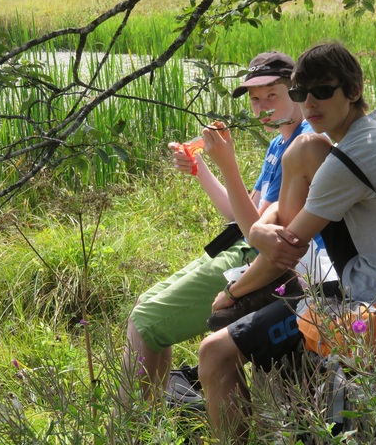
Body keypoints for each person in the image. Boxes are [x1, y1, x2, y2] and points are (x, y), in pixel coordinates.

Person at [198, 41, 376, 443]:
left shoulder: (351, 158)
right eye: (301, 93)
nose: (310, 102)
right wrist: (262, 232)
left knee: (214, 352)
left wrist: (233, 290)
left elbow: (286, 252)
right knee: (305, 148)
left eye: (322, 91)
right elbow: (284, 233)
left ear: (353, 89)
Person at [119, 51, 332, 402]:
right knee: (144, 303)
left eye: (272, 95)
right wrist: (201, 168)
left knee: (145, 319)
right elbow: (238, 213)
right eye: (255, 99)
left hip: (268, 260)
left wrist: (228, 164)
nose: (262, 107)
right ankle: (148, 416)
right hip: (245, 246)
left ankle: (133, 425)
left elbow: (257, 233)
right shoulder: (280, 142)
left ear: (296, 91)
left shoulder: (305, 143)